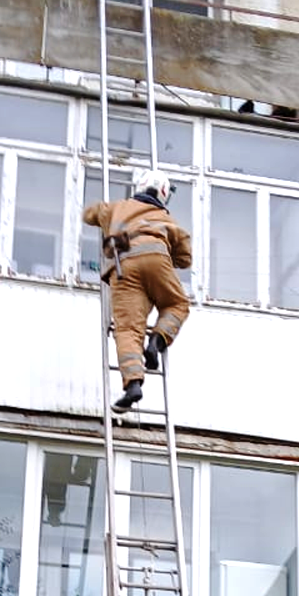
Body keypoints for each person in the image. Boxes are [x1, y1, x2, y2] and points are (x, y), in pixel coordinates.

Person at [83, 169, 192, 413]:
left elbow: (89, 214)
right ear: (163, 194)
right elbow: (185, 258)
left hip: (124, 270)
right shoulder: (166, 218)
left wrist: (104, 218)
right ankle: (157, 340)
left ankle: (132, 384)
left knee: (128, 329)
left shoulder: (116, 208)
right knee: (177, 304)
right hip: (157, 261)